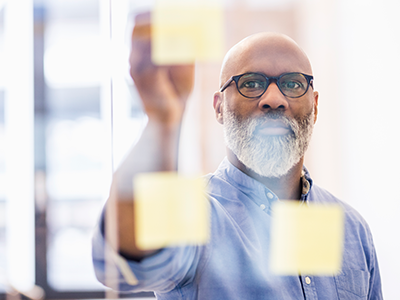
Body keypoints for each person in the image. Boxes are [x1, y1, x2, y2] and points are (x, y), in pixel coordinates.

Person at [92, 14, 383, 299]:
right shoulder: (193, 214)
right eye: (251, 83)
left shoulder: (352, 230)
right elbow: (125, 261)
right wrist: (162, 120)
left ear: (315, 106)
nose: (273, 99)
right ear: (219, 107)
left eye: (293, 84)